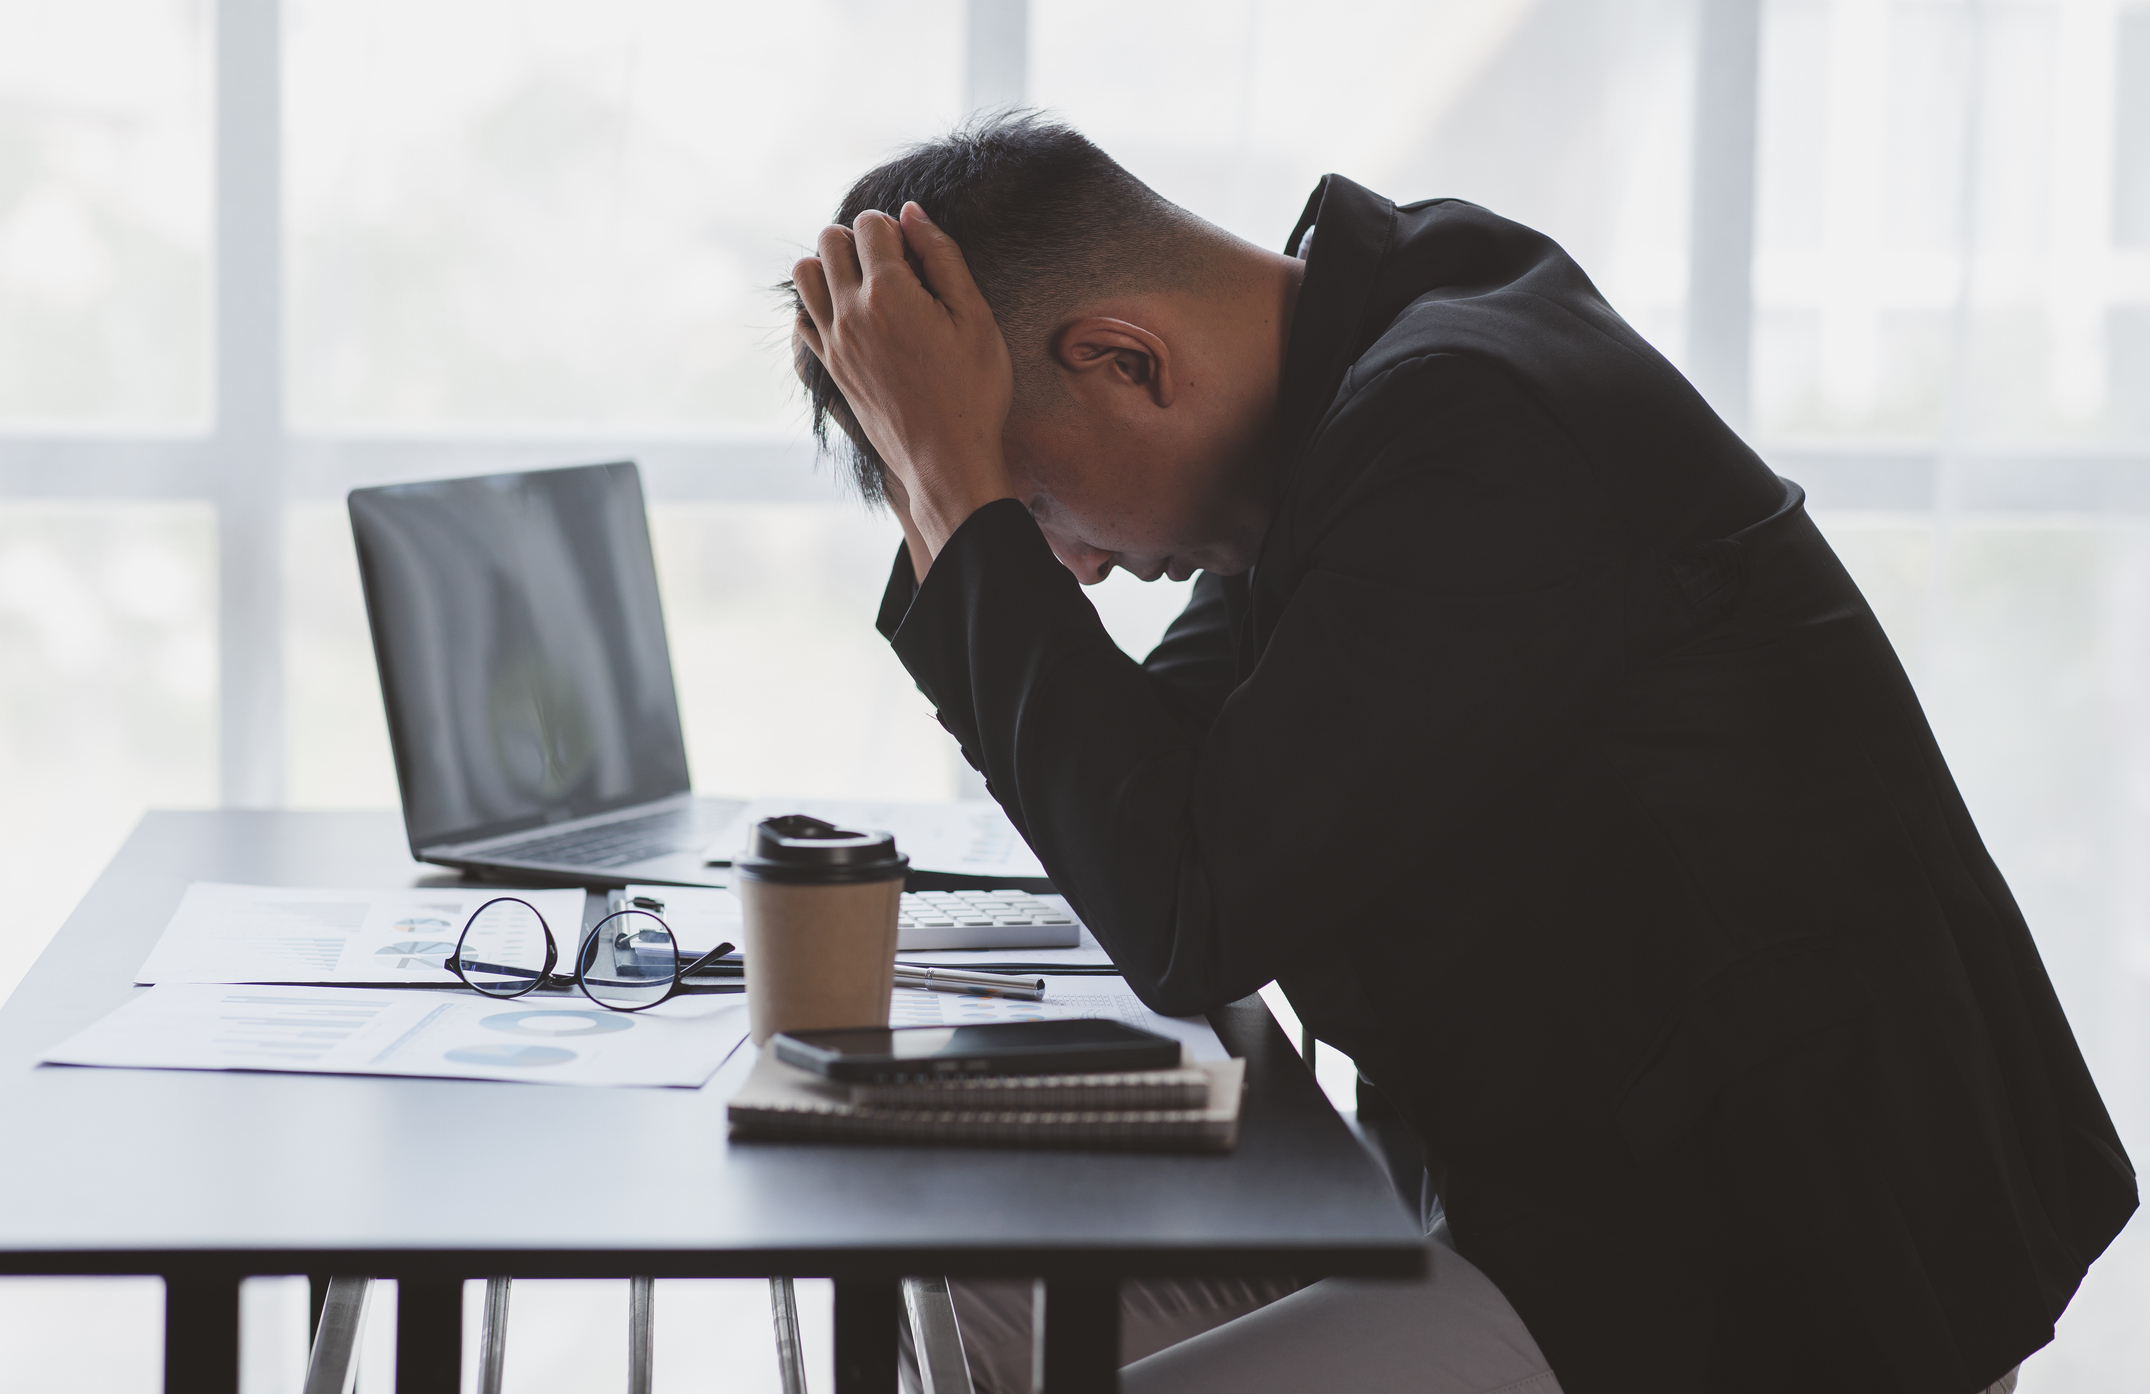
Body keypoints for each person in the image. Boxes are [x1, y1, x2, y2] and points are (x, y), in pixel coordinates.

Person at [787, 113, 2136, 1394]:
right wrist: (947, 485)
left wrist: (962, 510)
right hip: (1558, 1197)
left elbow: (1187, 904)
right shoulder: (1340, 401)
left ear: (1126, 358)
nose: (1067, 568)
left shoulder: (1465, 427)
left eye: (1031, 506)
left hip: (1754, 1265)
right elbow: (1159, 789)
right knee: (967, 1273)